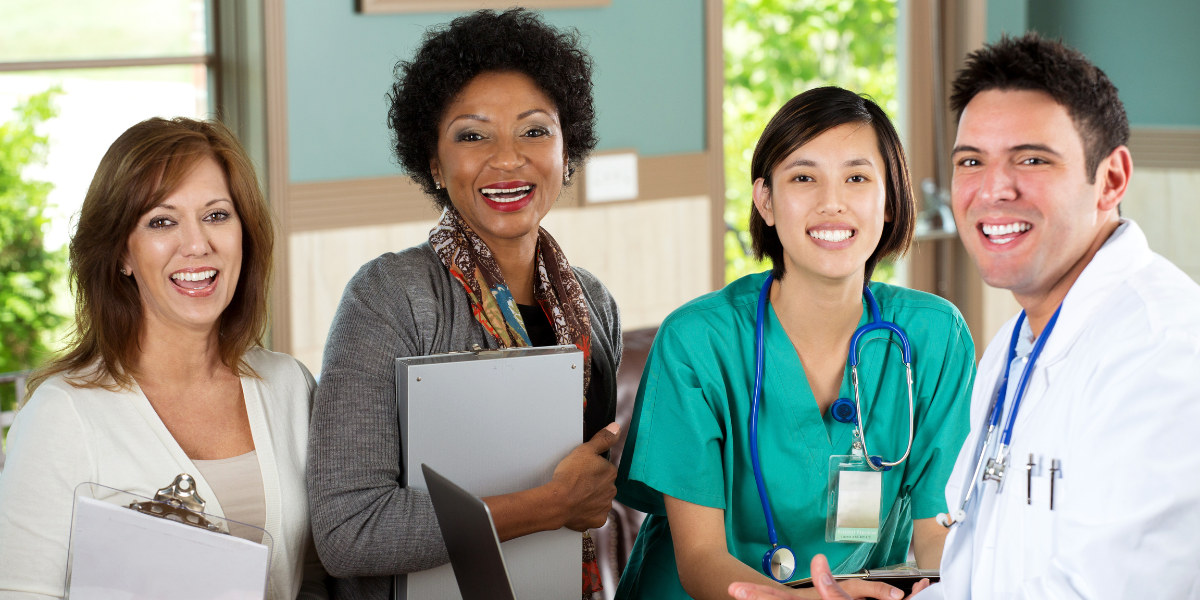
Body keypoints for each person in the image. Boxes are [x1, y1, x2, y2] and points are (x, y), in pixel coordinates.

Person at [735, 32, 1200, 600]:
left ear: (1111, 180)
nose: (993, 189)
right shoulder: (1014, 346)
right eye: (971, 161)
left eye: (1032, 159)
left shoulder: (1163, 351)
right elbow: (977, 570)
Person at [306, 9, 622, 599]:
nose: (507, 159)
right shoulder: (389, 297)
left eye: (534, 131)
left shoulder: (593, 305)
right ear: (434, 161)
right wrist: (550, 505)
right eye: (473, 135)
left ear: (567, 148)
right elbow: (348, 531)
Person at [614, 86, 976, 600]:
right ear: (766, 200)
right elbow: (699, 559)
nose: (832, 202)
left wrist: (940, 592)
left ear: (890, 200)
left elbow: (940, 532)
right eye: (803, 178)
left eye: (856, 178)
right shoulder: (697, 342)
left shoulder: (935, 337)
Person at [0, 117, 327, 599]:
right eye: (161, 221)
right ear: (121, 255)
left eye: (217, 215)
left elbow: (319, 577)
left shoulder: (290, 387)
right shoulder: (61, 414)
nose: (197, 244)